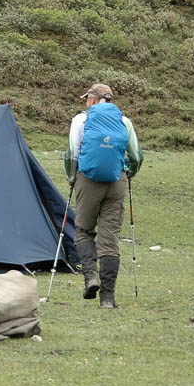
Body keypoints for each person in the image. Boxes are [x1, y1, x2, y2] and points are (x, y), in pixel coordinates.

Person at [64, 83, 143, 309]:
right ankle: (107, 299)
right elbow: (136, 155)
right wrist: (128, 174)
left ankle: (91, 277)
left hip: (87, 179)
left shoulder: (80, 120)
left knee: (83, 230)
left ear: (92, 99)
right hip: (116, 180)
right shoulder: (124, 121)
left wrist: (72, 178)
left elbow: (72, 153)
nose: (84, 102)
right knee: (110, 240)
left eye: (86, 98)